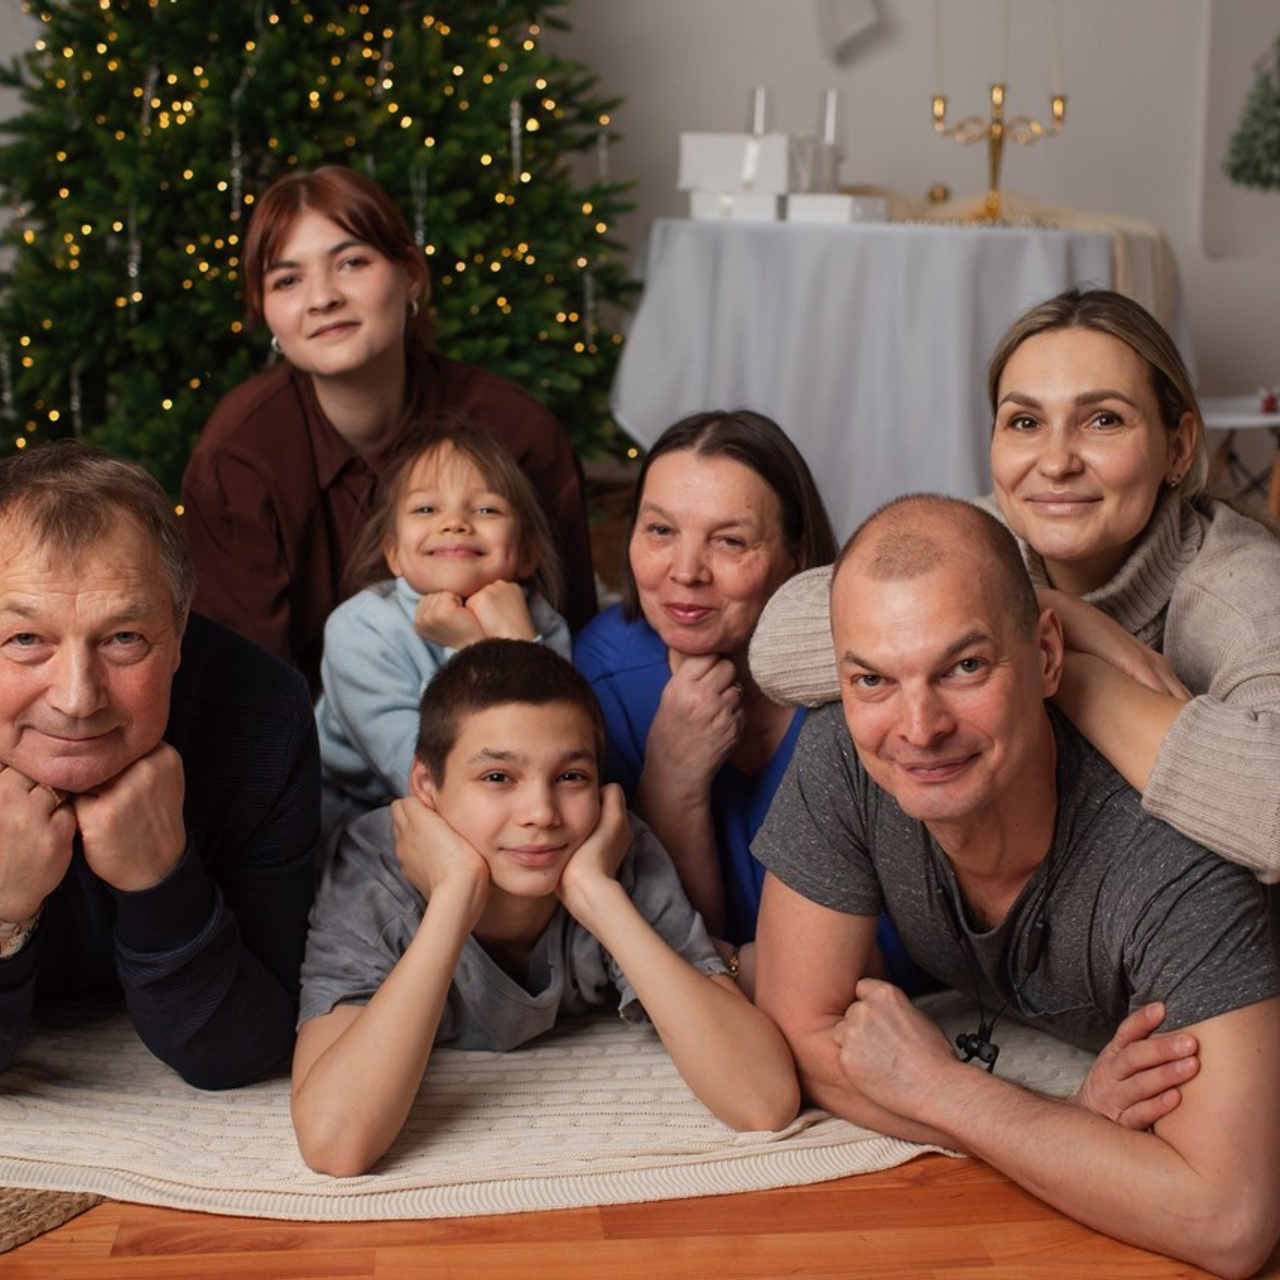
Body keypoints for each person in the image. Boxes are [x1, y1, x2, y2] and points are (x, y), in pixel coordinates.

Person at [753, 495, 1280, 1277]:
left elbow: (1228, 1221)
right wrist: (1064, 1128)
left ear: (1047, 657)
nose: (919, 726)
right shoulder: (845, 757)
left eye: (964, 668)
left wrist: (944, 1090)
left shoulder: (1169, 855)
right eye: (873, 680)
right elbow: (801, 1034)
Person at [749, 287, 1280, 882]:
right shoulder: (990, 541)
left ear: (1178, 448)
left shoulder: (1238, 590)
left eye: (1103, 420)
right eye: (1025, 422)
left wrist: (1067, 670)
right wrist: (1053, 618)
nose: (1055, 463)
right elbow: (775, 647)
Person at [292, 639, 798, 1177]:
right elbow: (334, 1143)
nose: (541, 813)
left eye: (571, 777)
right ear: (426, 786)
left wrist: (597, 897)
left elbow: (762, 1101)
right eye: (497, 778)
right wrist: (453, 898)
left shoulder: (612, 854)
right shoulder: (371, 873)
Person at [181, 164, 596, 695]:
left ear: (412, 277)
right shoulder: (237, 460)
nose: (322, 297)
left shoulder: (518, 434)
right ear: (265, 314)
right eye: (287, 279)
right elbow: (245, 695)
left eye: (351, 262)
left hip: (515, 728)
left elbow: (576, 645)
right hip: (310, 759)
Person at [0, 443, 319, 1090]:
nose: (77, 698)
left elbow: (239, 1051)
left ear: (178, 629)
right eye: (25, 639)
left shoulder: (262, 713)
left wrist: (159, 878)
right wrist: (4, 910)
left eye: (124, 639)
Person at [572, 409, 839, 981]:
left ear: (795, 553)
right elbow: (666, 945)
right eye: (661, 531)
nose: (686, 571)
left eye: (730, 540)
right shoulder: (600, 673)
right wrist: (671, 777)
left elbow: (894, 948)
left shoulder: (857, 680)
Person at [315, 416, 572, 843]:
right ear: (393, 554)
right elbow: (427, 783)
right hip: (356, 821)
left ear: (527, 553)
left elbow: (559, 755)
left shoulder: (541, 626)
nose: (454, 523)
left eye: (486, 509)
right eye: (426, 509)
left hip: (507, 811)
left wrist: (519, 644)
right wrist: (473, 651)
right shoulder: (359, 631)